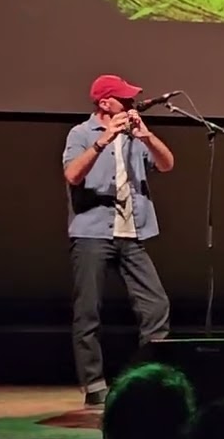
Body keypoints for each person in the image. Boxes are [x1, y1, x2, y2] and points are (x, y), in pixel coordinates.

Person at [62, 74, 174, 407]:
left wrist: (147, 136)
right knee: (88, 311)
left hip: (132, 233)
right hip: (91, 233)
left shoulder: (136, 136)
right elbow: (72, 175)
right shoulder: (81, 134)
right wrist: (103, 142)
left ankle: (149, 380)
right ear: (105, 104)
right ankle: (94, 384)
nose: (131, 105)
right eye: (124, 101)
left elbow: (167, 164)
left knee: (156, 305)